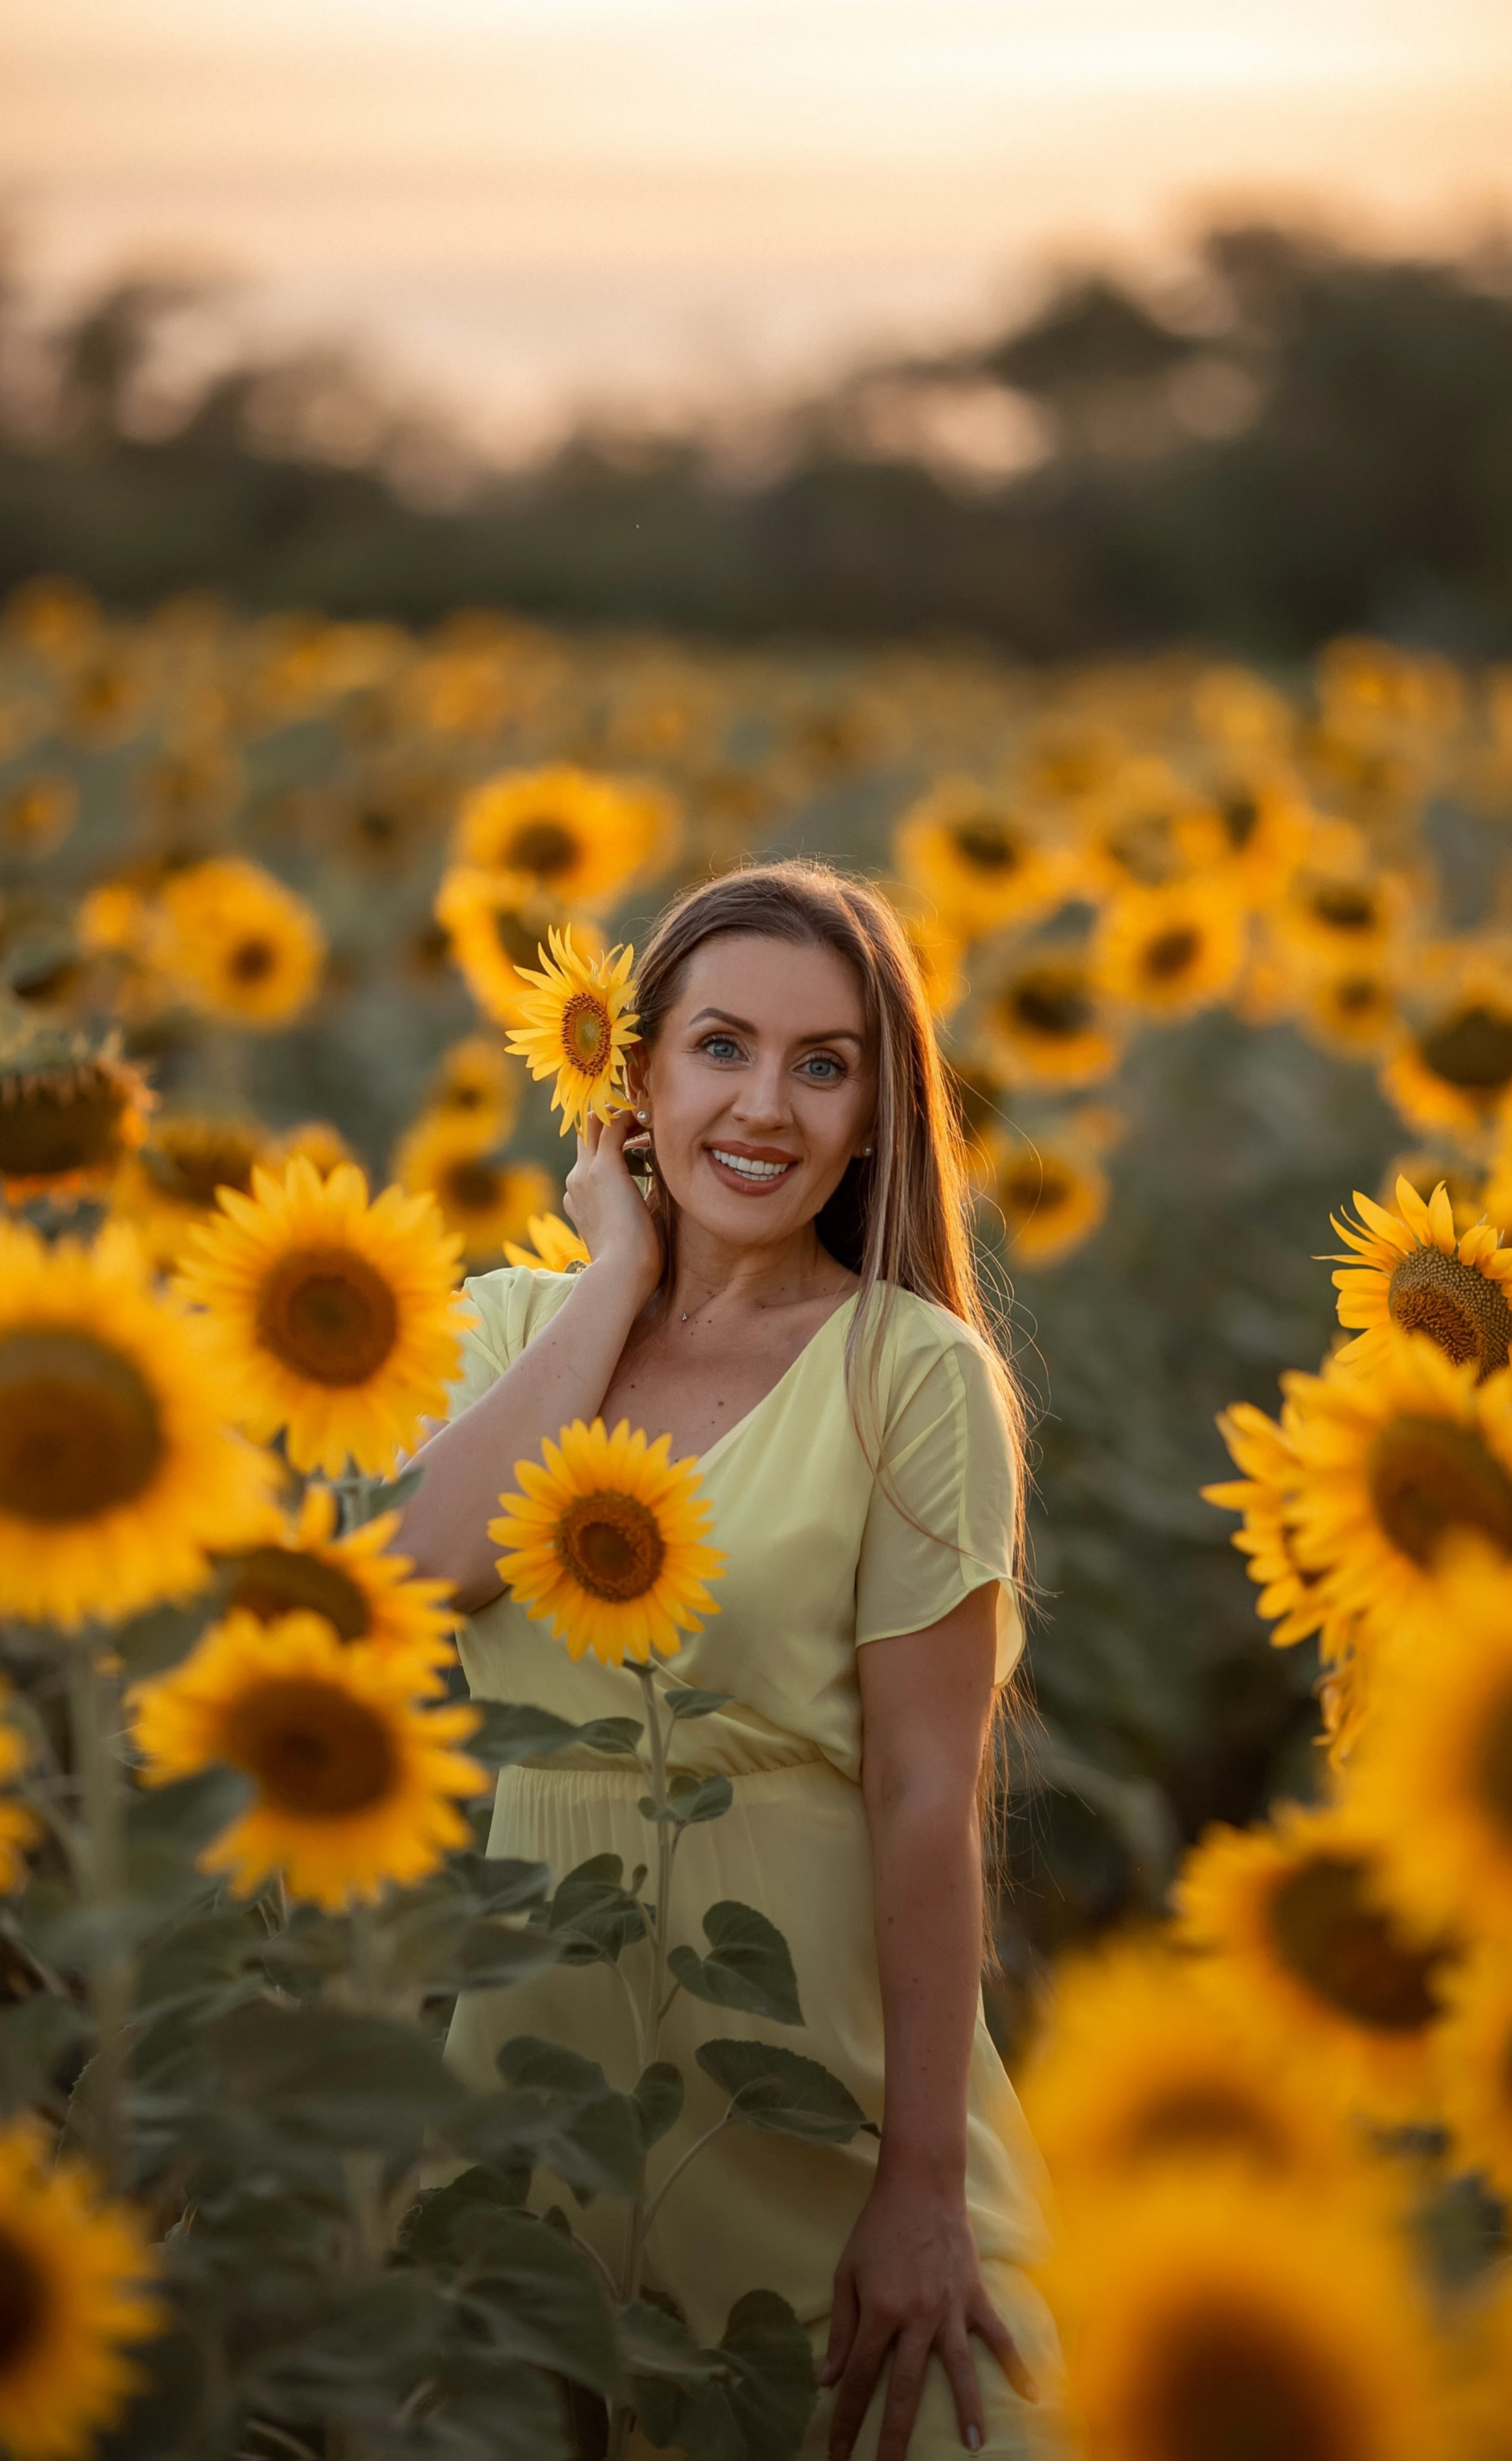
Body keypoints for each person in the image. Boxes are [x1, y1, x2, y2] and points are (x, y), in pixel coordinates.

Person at [400, 860, 1060, 2460]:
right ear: (634, 1080)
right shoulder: (509, 1330)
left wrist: (916, 2188)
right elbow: (419, 1576)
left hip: (812, 2082)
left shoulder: (909, 1373)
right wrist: (616, 1277)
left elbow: (921, 1793)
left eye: (821, 1064)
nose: (764, 1106)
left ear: (870, 1115)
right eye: (719, 1048)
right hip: (534, 2067)